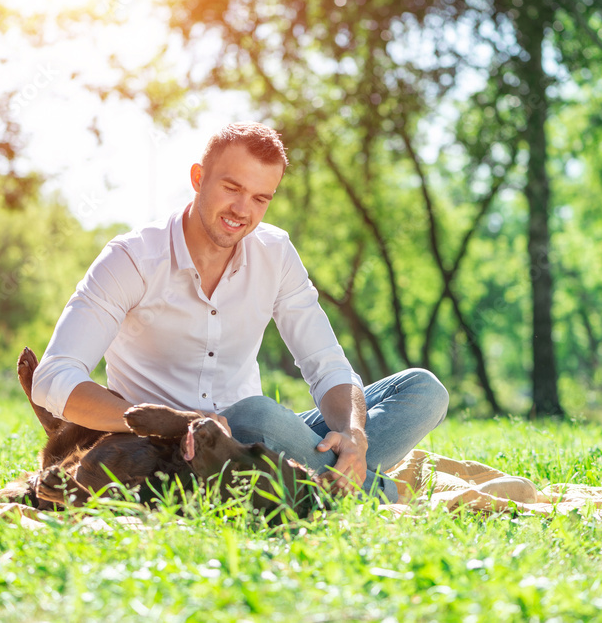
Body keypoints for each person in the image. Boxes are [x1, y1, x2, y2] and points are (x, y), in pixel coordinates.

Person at [31, 122, 448, 503]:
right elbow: (54, 377)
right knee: (255, 411)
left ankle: (329, 481)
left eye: (260, 198)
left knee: (423, 390)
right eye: (232, 188)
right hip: (168, 452)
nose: (242, 210)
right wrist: (174, 423)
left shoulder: (275, 253)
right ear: (198, 179)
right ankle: (378, 494)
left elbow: (325, 365)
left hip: (255, 441)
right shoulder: (133, 258)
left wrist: (354, 436)